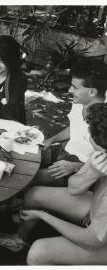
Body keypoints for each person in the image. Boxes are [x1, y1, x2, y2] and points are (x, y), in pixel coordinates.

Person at [0, 103, 107, 265]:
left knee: (38, 252)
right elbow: (74, 188)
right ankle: (18, 240)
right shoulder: (101, 154)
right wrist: (92, 173)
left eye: (89, 135)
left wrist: (42, 215)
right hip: (94, 210)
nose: (86, 137)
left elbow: (91, 240)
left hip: (99, 241)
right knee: (33, 194)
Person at [32, 57, 107, 187]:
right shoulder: (79, 102)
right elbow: (74, 127)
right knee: (26, 156)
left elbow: (103, 164)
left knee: (30, 177)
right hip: (64, 150)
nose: (69, 91)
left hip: (81, 168)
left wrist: (75, 167)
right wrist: (51, 139)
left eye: (75, 87)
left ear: (91, 92)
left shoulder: (103, 119)